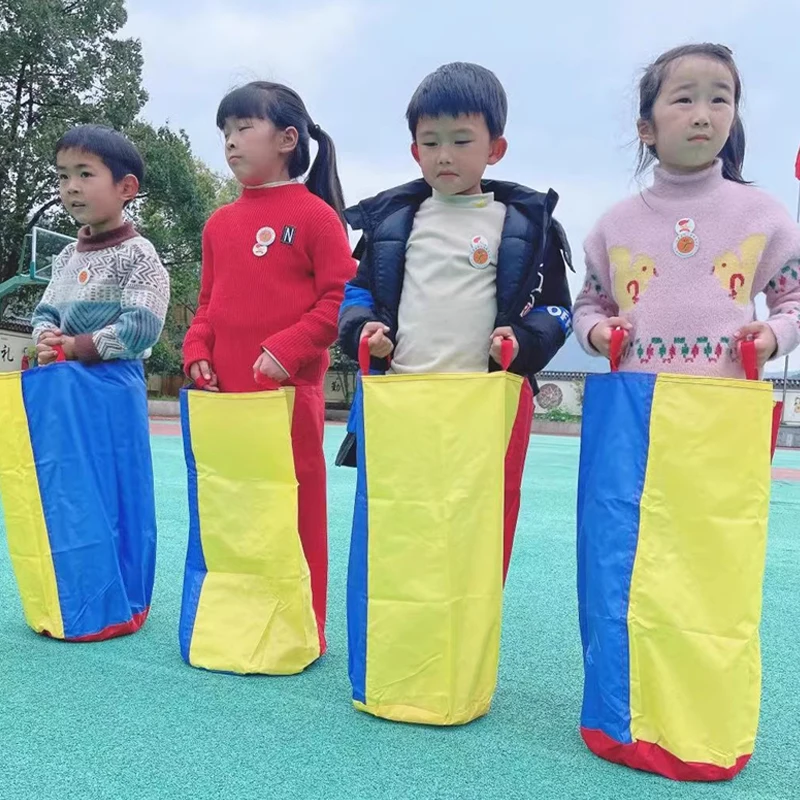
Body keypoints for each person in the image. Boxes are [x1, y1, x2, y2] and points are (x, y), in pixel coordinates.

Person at [337, 61, 573, 578]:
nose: (444, 155)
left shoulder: (526, 227)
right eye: (431, 141)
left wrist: (523, 344)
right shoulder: (393, 221)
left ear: (495, 149)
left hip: (484, 409)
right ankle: (398, 645)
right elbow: (356, 292)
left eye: (462, 141)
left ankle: (464, 648)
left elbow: (558, 310)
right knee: (398, 537)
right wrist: (363, 331)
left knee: (474, 540)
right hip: (403, 401)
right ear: (414, 149)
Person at [182, 81, 355, 656]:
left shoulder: (317, 217)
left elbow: (337, 303)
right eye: (225, 132)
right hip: (225, 400)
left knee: (294, 507)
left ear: (287, 138)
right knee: (233, 508)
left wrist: (289, 348)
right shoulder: (217, 224)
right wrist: (196, 348)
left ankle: (300, 629)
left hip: (288, 396)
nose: (230, 143)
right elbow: (207, 303)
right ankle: (235, 624)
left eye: (242, 128)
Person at [573, 44, 800, 374]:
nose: (702, 117)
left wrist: (776, 333)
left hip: (724, 407)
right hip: (636, 408)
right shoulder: (614, 225)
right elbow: (589, 305)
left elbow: (794, 299)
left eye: (720, 100)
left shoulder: (763, 217)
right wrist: (595, 333)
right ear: (646, 129)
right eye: (684, 100)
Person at [32, 125, 169, 364]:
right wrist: (46, 339)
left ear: (126, 187)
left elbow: (143, 325)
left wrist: (78, 346)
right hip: (63, 376)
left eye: (84, 174)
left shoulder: (138, 253)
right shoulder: (67, 256)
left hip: (114, 383)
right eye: (63, 176)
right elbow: (45, 313)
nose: (71, 186)